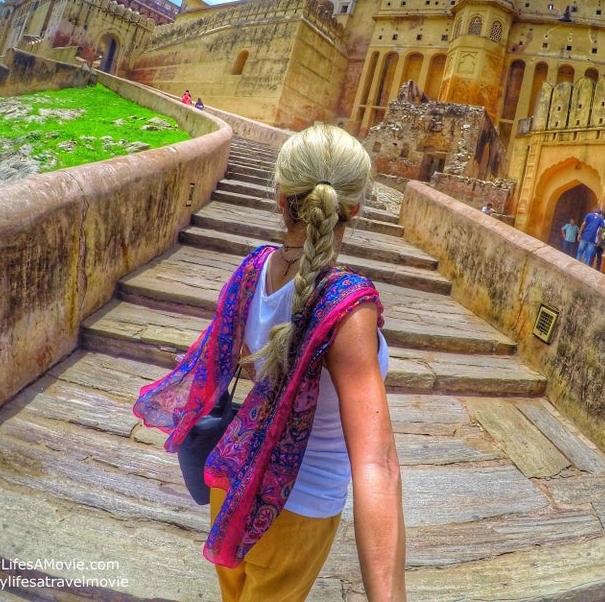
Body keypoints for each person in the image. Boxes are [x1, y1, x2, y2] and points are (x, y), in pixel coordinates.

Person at [133, 125, 406, 602]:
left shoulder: (253, 268)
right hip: (297, 510)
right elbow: (377, 462)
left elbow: (239, 358)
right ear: (355, 209)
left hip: (231, 482)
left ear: (280, 197)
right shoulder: (348, 308)